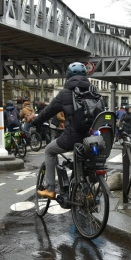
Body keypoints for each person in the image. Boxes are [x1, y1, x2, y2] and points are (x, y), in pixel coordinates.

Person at [30, 62, 95, 199]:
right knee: (81, 158)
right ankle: (87, 192)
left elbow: (48, 111)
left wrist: (36, 121)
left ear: (69, 76)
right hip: (90, 137)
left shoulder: (65, 93)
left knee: (49, 151)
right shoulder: (93, 91)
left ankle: (50, 189)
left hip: (72, 137)